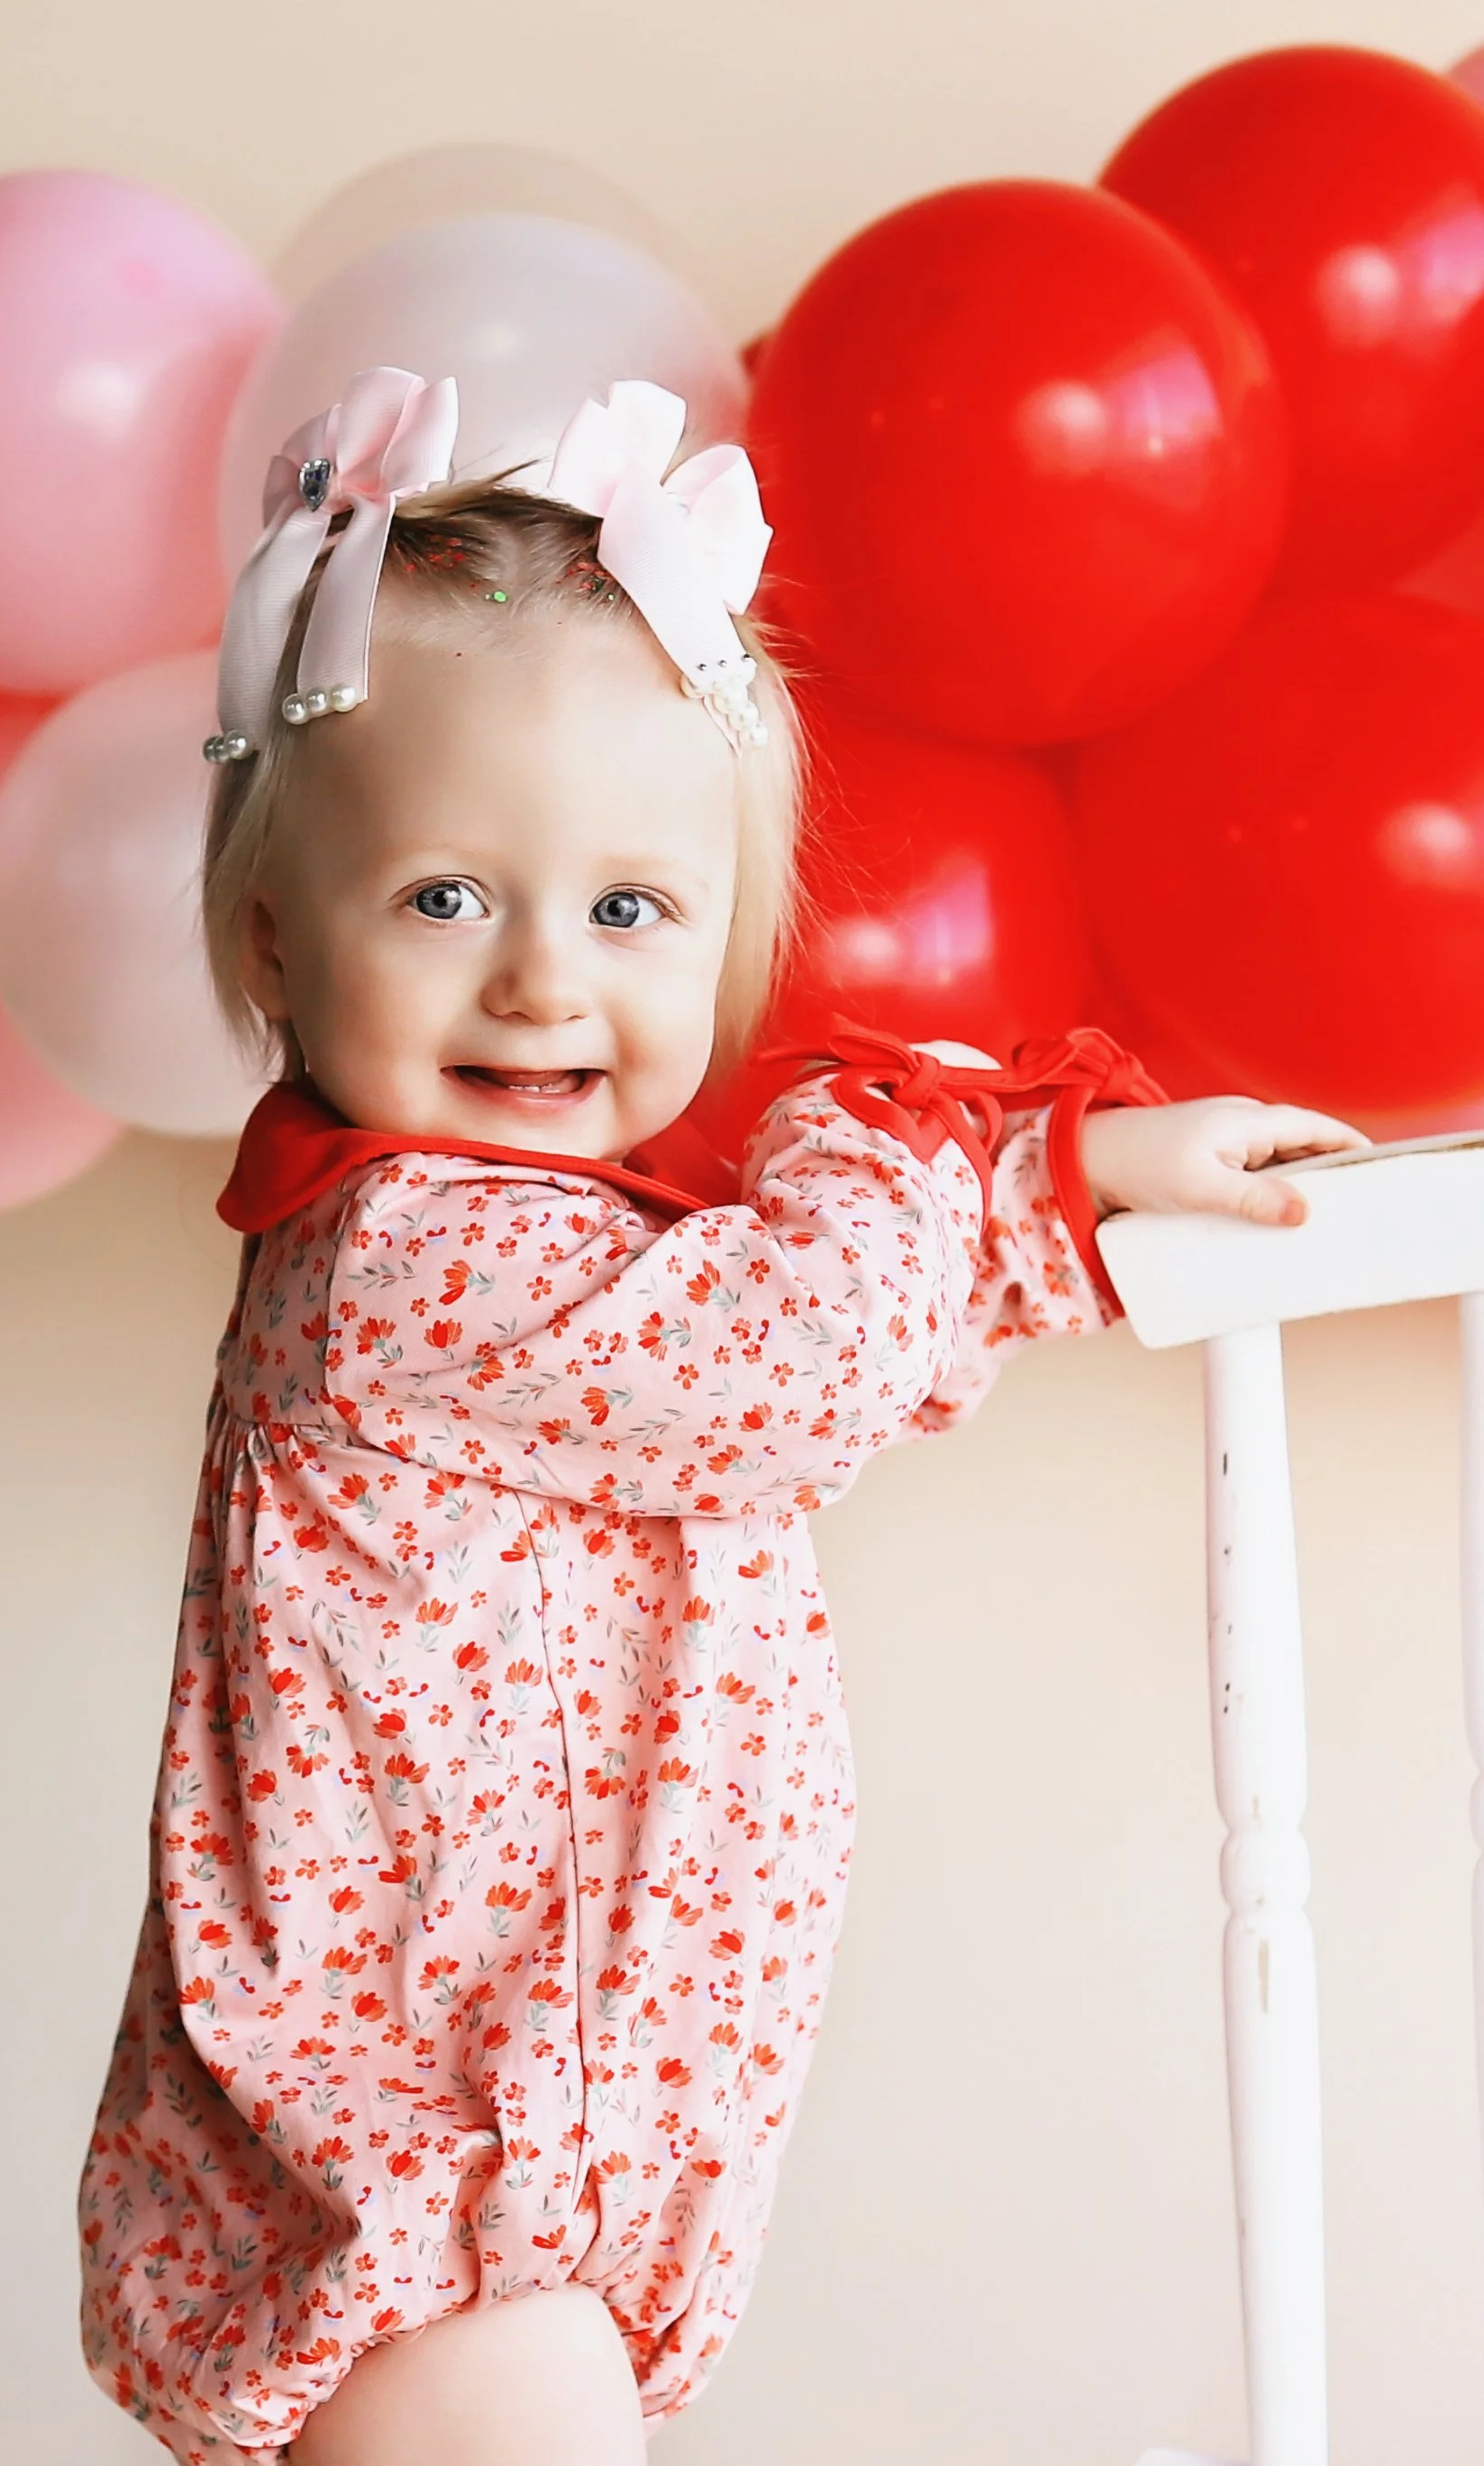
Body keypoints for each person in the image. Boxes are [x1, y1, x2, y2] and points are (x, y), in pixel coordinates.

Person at [77, 368, 1361, 2466]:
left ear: (726, 940)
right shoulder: (408, 1255)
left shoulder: (568, 1255)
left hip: (521, 2226)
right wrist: (909, 1122)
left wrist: (1051, 1182)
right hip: (452, 2248)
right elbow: (802, 1356)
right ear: (273, 948)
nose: (541, 984)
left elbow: (803, 1333)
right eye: (442, 899)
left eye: (629, 908)